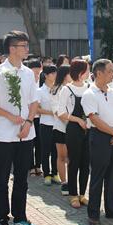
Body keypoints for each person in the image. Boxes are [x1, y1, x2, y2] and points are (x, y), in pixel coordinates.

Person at [0, 31, 39, 225]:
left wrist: (28, 122)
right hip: (4, 134)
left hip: (26, 133)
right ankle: (2, 218)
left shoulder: (28, 73)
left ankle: (20, 217)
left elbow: (33, 101)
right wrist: (9, 116)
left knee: (22, 178)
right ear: (12, 48)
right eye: (24, 46)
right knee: (2, 178)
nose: (27, 49)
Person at [82, 59, 113, 225]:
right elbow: (94, 119)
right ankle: (93, 213)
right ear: (99, 73)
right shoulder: (89, 94)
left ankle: (112, 209)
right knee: (98, 175)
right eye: (110, 71)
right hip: (100, 136)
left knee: (112, 175)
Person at [58, 59, 91, 208]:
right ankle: (73, 194)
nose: (89, 73)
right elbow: (61, 112)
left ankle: (82, 194)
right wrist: (78, 120)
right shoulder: (67, 89)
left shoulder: (89, 87)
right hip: (73, 129)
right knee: (74, 162)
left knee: (86, 163)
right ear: (80, 72)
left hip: (88, 129)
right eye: (87, 70)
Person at [37, 65, 59, 186]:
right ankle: (46, 174)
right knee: (45, 150)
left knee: (56, 150)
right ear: (46, 75)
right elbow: (37, 109)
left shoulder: (59, 89)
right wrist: (51, 112)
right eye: (52, 73)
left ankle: (55, 173)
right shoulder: (40, 91)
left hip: (57, 124)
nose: (55, 75)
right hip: (45, 124)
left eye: (56, 73)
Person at [52, 65, 72, 195]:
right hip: (60, 127)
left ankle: (72, 182)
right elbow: (57, 111)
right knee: (62, 156)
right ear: (65, 75)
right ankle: (64, 183)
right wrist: (69, 122)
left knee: (71, 157)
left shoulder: (73, 88)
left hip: (72, 128)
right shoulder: (56, 90)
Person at [27, 59, 43, 176]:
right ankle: (31, 166)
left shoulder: (42, 81)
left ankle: (38, 165)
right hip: (30, 117)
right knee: (30, 142)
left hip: (40, 117)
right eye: (35, 72)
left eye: (38, 72)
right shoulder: (26, 82)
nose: (37, 75)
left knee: (39, 142)